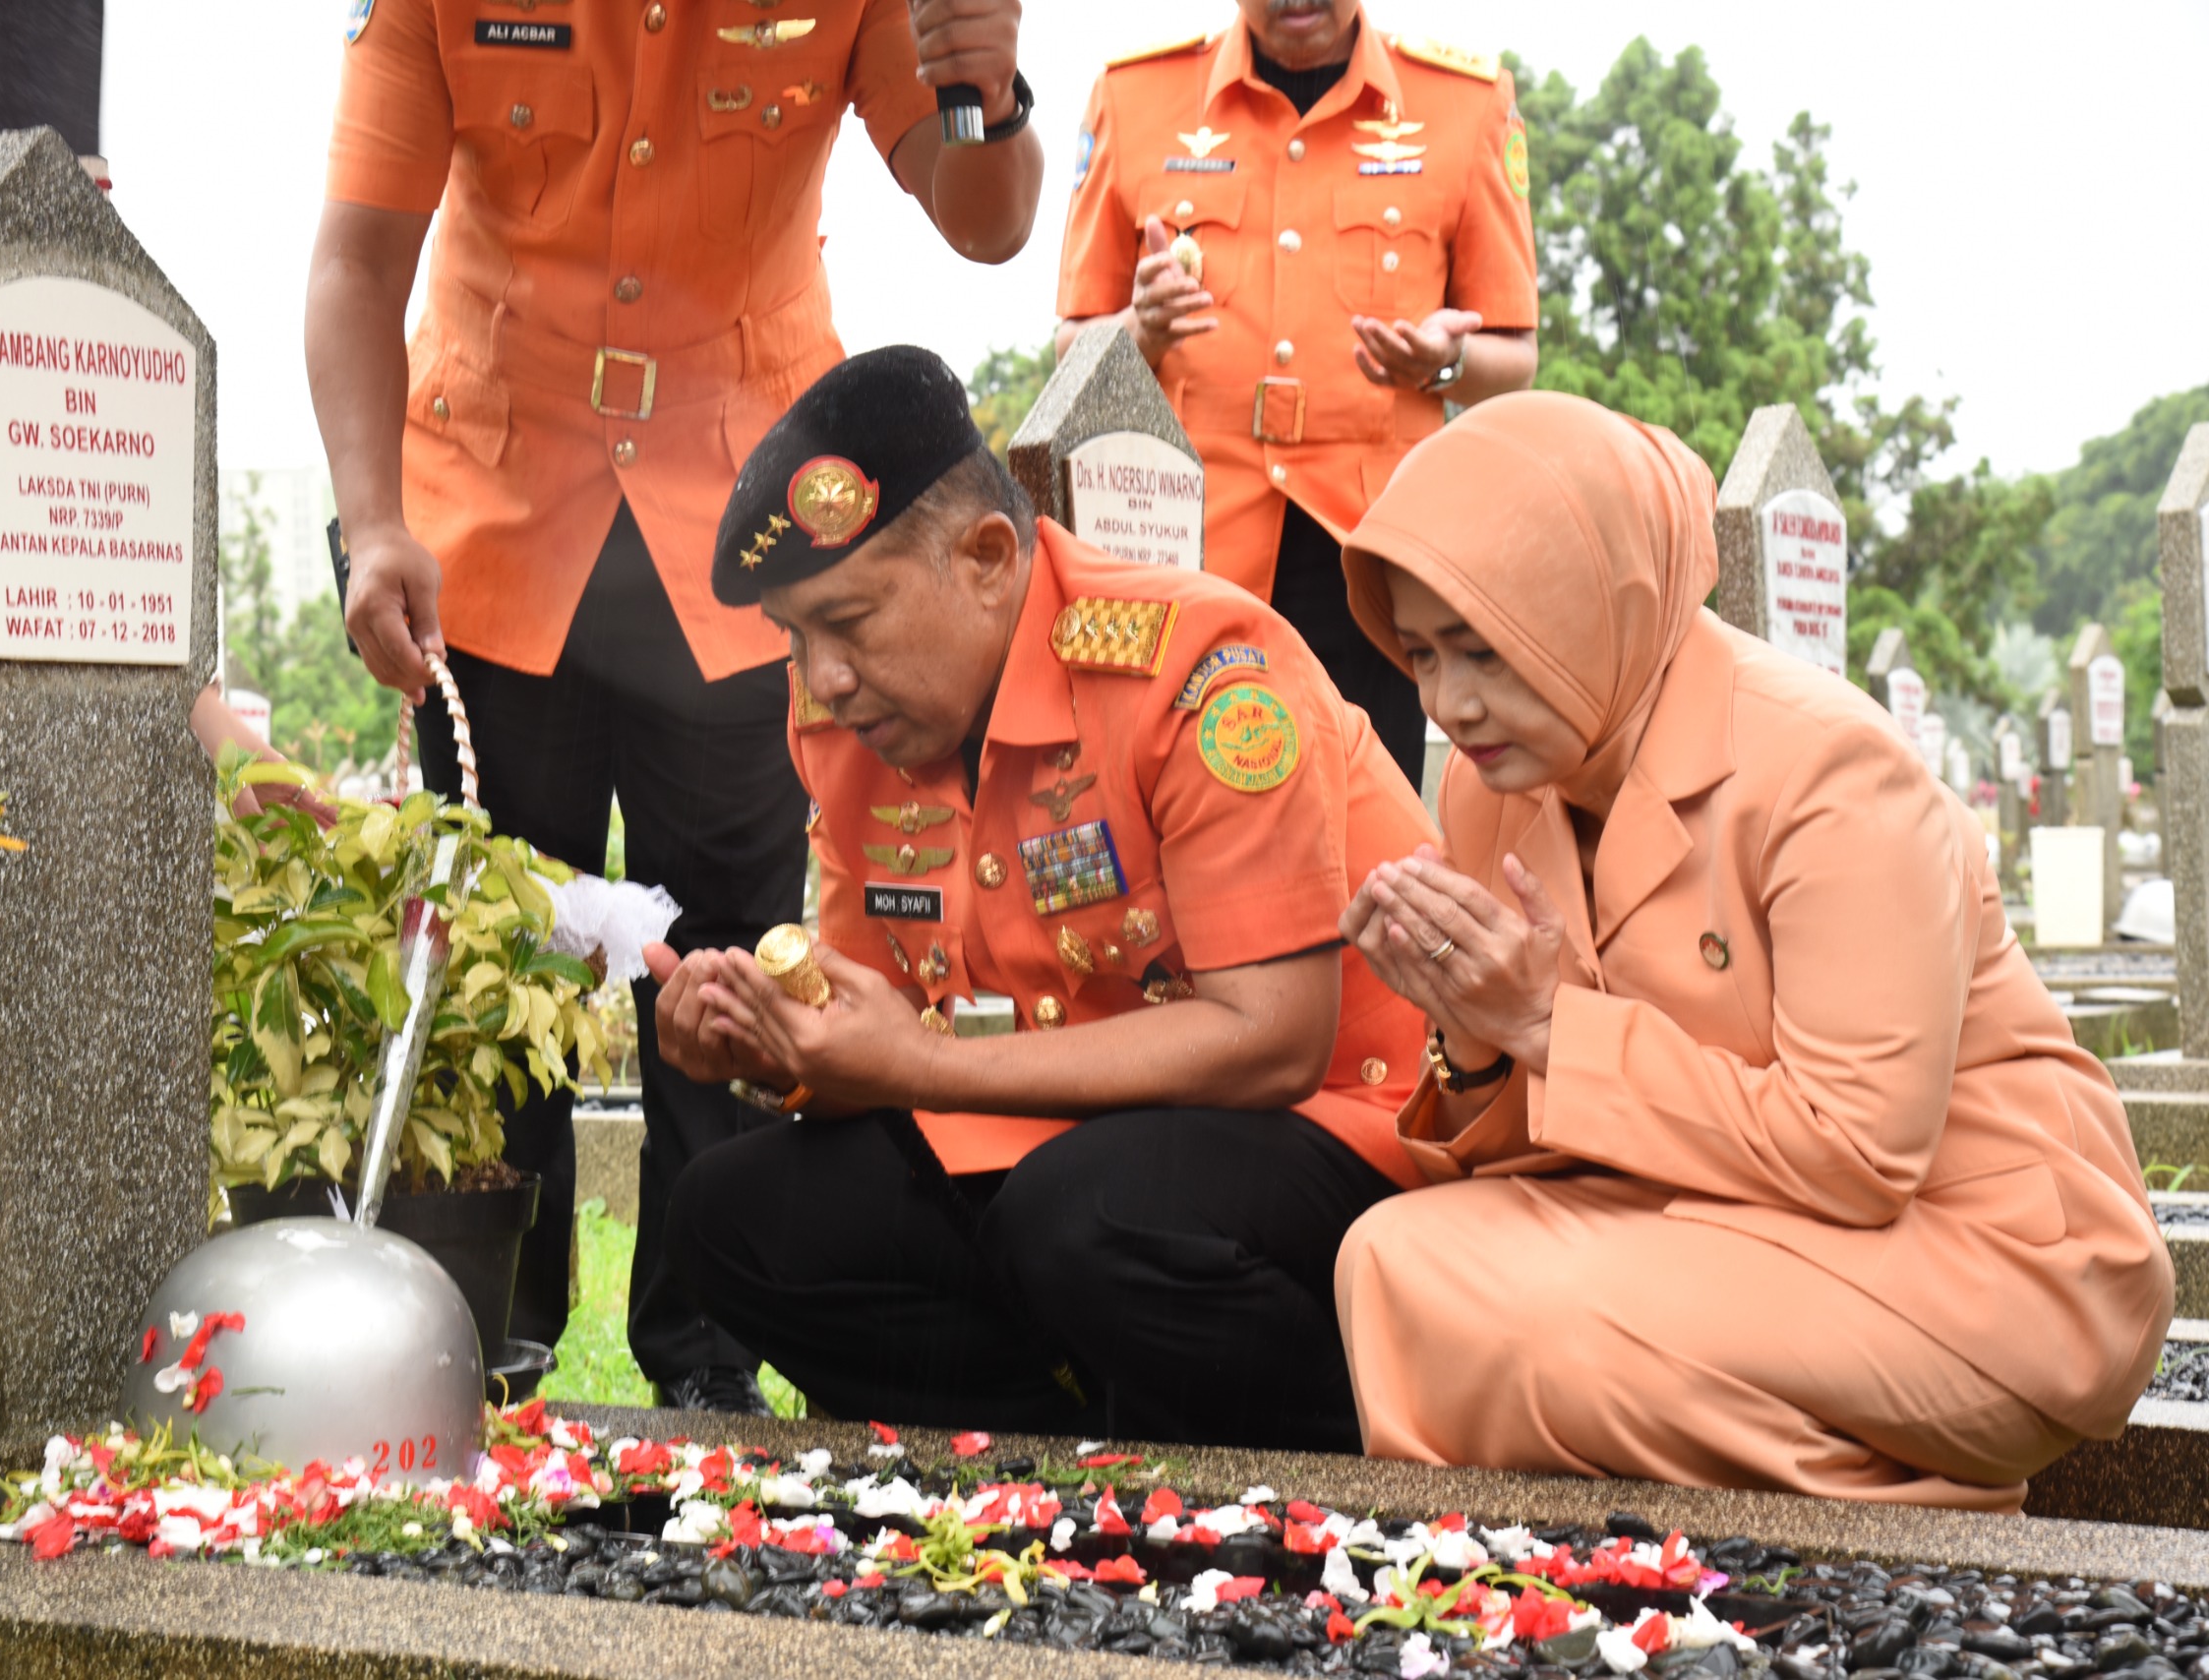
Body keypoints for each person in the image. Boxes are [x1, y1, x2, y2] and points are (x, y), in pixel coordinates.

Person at [309, 0, 1045, 1414]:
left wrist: (986, 94)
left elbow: (986, 222)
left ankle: (705, 1358)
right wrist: (371, 521)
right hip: (493, 526)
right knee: (490, 956)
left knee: (729, 954)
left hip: (738, 539)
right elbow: (354, 260)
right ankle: (480, 1351)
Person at [1329, 390, 2172, 1507]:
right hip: (1709, 1211)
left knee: (1559, 1328)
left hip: (1979, 1244)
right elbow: (1548, 1144)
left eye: (1485, 648)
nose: (1452, 702)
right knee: (1388, 1262)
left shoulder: (1831, 772)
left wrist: (1542, 1022)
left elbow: (1860, 1158)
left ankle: (1898, 1520)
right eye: (1422, 654)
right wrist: (1475, 1032)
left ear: (1594, 606)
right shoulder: (1497, 793)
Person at [645, 345, 1434, 1452]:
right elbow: (875, 1028)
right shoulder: (853, 728)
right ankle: (1070, 1452)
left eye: (851, 621)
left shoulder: (1200, 669)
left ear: (984, 555)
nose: (822, 676)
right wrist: (776, 1049)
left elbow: (1276, 1043)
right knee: (731, 1220)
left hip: (1332, 1133)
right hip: (1055, 1136)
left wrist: (919, 1065)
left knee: (1086, 1212)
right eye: (795, 635)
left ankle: (1330, 1457)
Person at [1055, 0, 1536, 788]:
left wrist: (1441, 363)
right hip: (1183, 556)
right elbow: (1072, 347)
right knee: (1181, 828)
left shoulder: (1466, 102)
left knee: (1365, 840)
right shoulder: (1133, 96)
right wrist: (1139, 330)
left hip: (1377, 568)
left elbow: (1515, 356)